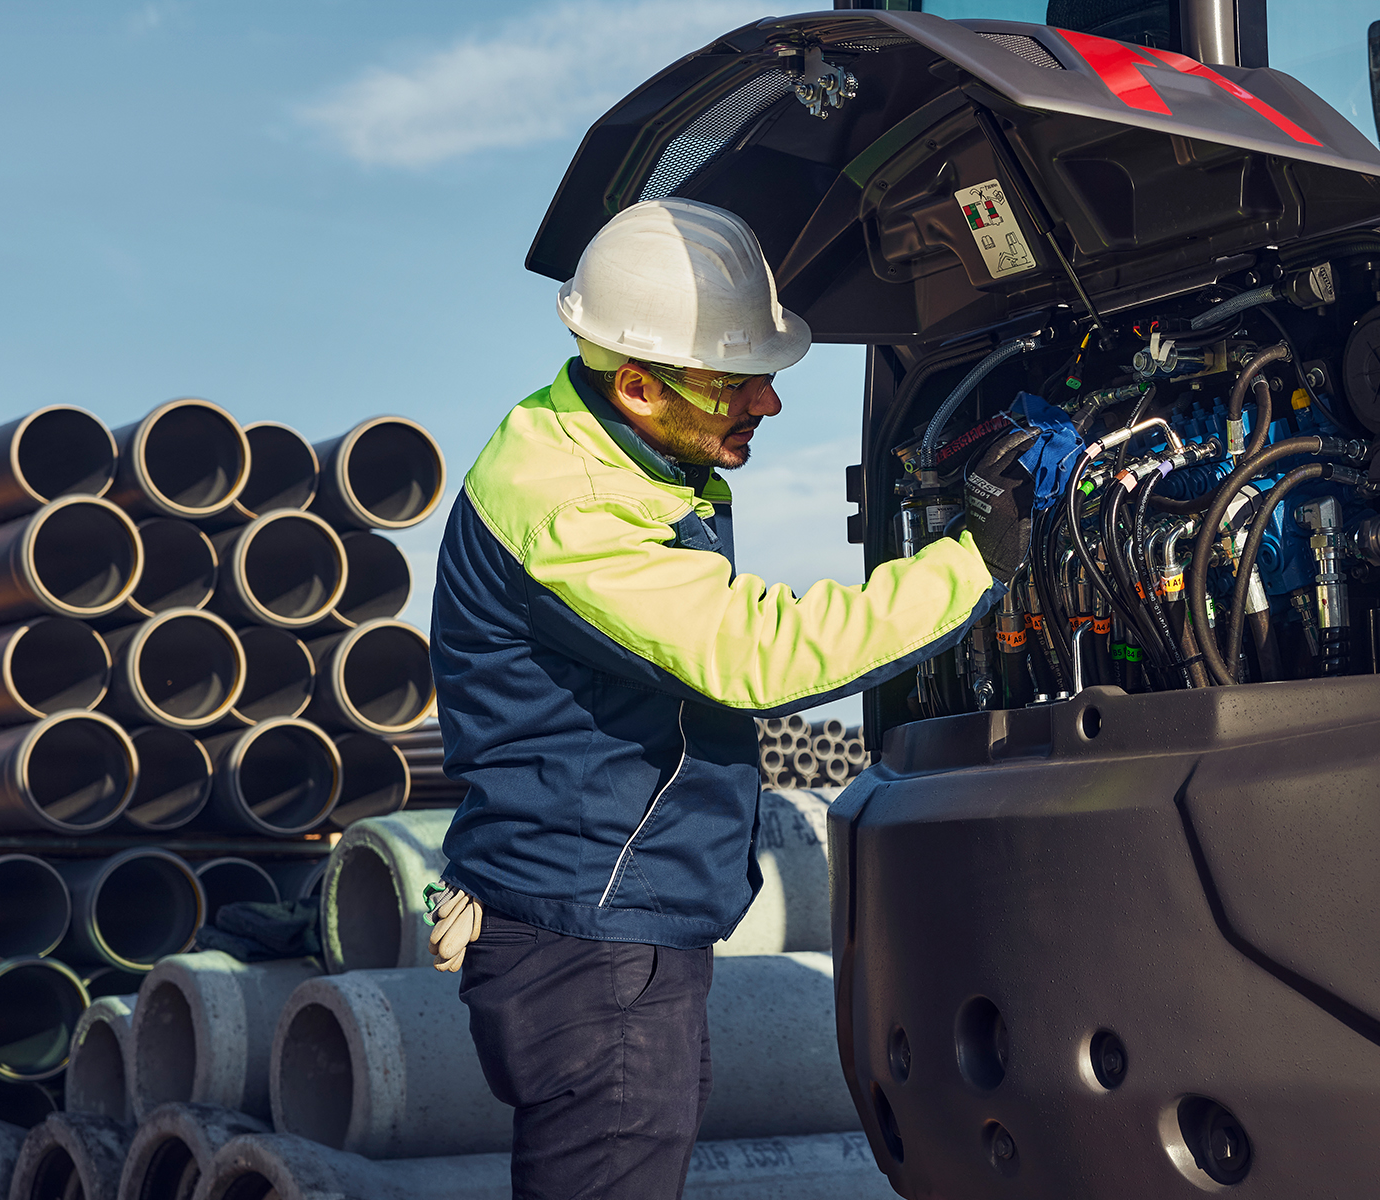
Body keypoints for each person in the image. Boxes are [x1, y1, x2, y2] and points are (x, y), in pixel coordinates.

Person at [421, 198, 1029, 1199]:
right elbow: (756, 654)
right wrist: (968, 569)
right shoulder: (573, 512)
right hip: (593, 946)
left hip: (599, 928)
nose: (767, 408)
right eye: (735, 386)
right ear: (636, 385)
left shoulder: (592, 442)